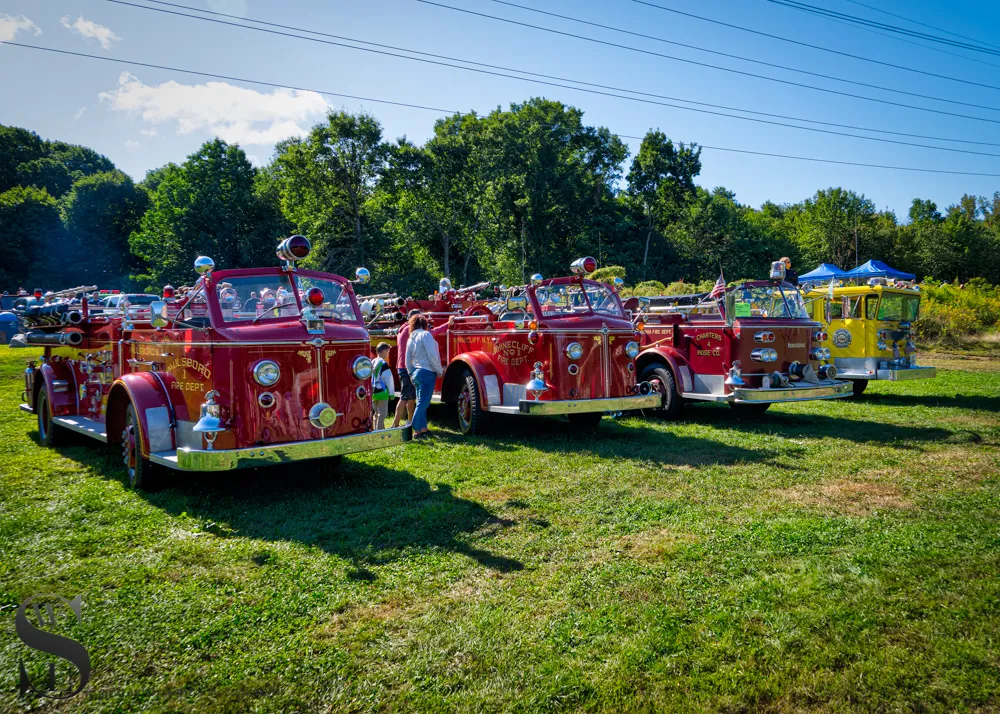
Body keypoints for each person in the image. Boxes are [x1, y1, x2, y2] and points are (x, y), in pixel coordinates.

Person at [405, 314, 444, 440]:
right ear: (424, 324)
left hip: (416, 372)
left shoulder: (410, 338)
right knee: (423, 404)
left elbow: (407, 359)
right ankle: (416, 430)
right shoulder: (426, 335)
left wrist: (411, 372)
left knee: (420, 403)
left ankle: (423, 429)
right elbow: (432, 355)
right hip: (427, 372)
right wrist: (439, 370)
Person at [391, 309, 422, 428]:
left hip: (402, 366)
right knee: (405, 397)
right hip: (408, 367)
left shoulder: (402, 329)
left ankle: (409, 421)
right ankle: (395, 424)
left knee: (411, 397)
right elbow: (431, 333)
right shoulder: (410, 330)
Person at [371, 342, 395, 430]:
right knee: (382, 413)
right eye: (388, 352)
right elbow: (389, 379)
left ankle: (374, 428)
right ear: (384, 351)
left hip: (373, 391)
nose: (388, 354)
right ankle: (380, 430)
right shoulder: (383, 364)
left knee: (376, 412)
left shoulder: (372, 362)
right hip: (382, 391)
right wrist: (391, 393)